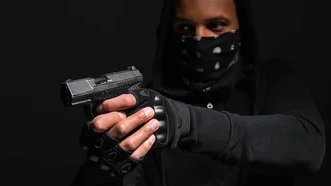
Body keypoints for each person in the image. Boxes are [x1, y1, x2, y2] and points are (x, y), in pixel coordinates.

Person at [69, 0, 326, 185]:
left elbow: (308, 147)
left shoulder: (273, 80)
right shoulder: (147, 109)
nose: (199, 38)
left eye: (217, 25)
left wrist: (185, 122)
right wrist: (102, 167)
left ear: (242, 25)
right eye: (184, 28)